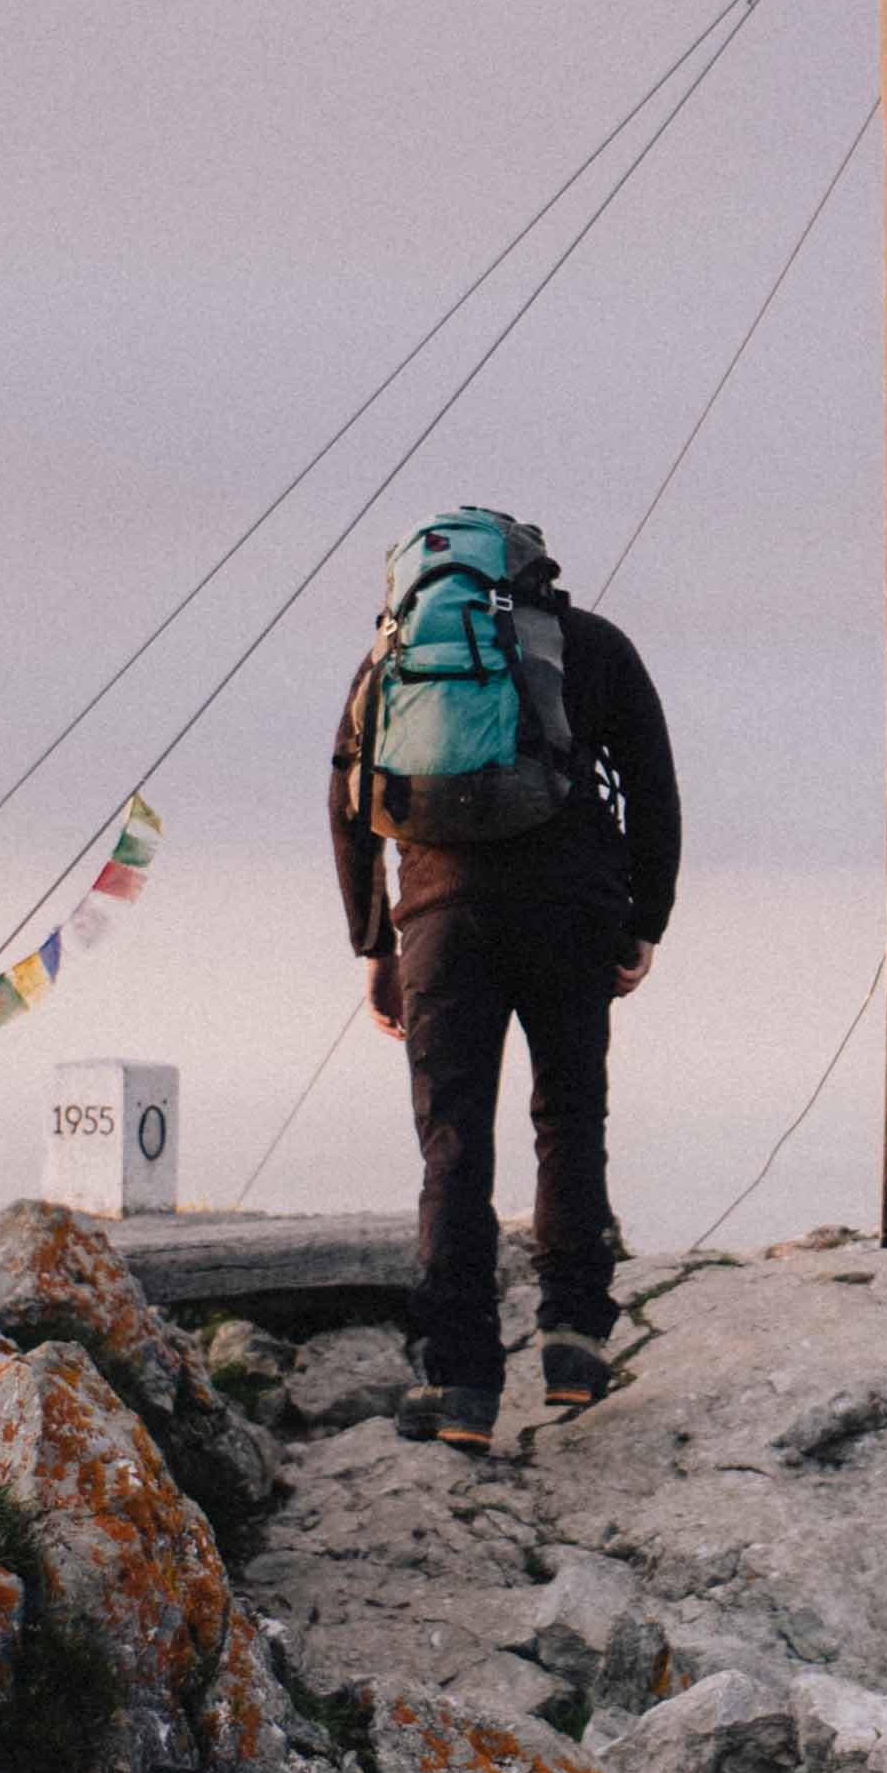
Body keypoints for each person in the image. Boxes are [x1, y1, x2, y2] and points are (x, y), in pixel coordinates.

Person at [331, 511, 679, 1453]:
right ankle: (571, 1341)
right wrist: (644, 921)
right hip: (572, 912)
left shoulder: (392, 654)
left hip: (440, 922)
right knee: (568, 1116)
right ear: (537, 572)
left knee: (454, 1145)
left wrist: (377, 944)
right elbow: (651, 785)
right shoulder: (593, 644)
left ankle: (461, 1384)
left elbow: (348, 799)